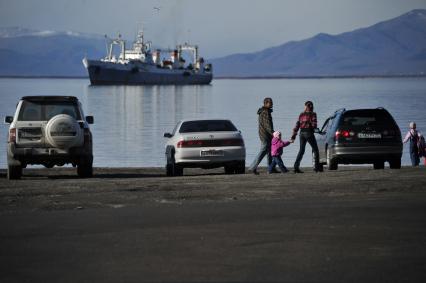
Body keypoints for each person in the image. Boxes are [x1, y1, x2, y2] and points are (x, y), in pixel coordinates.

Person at [291, 101, 321, 173]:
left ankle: (296, 167)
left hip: (301, 133)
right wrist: (317, 131)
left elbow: (297, 125)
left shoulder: (301, 114)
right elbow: (314, 125)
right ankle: (316, 168)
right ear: (311, 106)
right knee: (315, 150)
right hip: (309, 133)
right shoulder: (313, 114)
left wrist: (293, 136)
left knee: (301, 150)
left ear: (306, 106)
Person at [249, 97, 275, 175]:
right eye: (270, 102)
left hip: (265, 134)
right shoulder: (265, 112)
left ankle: (271, 168)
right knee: (263, 151)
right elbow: (267, 125)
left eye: (272, 102)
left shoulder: (265, 111)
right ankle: (253, 167)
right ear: (265, 103)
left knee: (270, 151)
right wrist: (273, 133)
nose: (272, 104)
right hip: (265, 134)